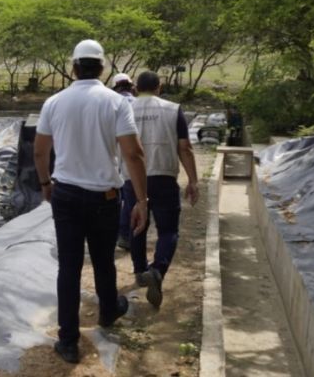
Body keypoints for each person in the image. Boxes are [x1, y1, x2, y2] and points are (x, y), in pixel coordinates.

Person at [34, 39, 149, 364]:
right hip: (105, 198)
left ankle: (68, 341)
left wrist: (45, 182)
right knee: (103, 261)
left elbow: (40, 151)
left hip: (65, 195)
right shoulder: (116, 103)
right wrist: (142, 200)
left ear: (73, 67)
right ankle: (108, 311)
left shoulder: (54, 103)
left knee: (69, 267)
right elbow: (133, 153)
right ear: (102, 68)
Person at [125, 71, 199, 309]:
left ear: (136, 88)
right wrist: (193, 180)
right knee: (168, 230)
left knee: (137, 226)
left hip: (132, 179)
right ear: (159, 87)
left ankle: (139, 271)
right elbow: (185, 148)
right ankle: (157, 269)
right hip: (164, 177)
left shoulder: (125, 109)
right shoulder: (172, 109)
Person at [112, 72, 136, 251]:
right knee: (130, 199)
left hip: (112, 156)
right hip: (131, 156)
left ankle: (115, 233)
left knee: (115, 198)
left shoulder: (109, 103)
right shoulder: (137, 104)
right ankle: (126, 235)